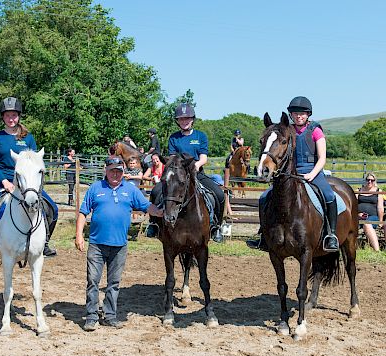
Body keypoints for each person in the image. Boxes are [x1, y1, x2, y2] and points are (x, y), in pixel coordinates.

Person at [75, 156, 163, 331]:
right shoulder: (95, 188)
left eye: (119, 171)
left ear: (123, 172)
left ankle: (110, 315)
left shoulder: (130, 190)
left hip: (120, 245)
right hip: (97, 244)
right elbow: (83, 212)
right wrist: (78, 235)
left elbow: (147, 207)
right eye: (112, 170)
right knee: (93, 281)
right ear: (106, 171)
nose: (115, 174)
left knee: (113, 283)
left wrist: (163, 212)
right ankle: (91, 316)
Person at [247, 96, 339, 252]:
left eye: (302, 113)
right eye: (295, 113)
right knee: (264, 198)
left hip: (313, 172)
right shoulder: (286, 130)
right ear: (291, 115)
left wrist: (312, 174)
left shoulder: (315, 130)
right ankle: (264, 236)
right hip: (291, 174)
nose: (299, 116)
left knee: (329, 196)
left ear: (308, 114)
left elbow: (322, 158)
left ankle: (331, 235)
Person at [0, 97, 58, 258]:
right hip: (3, 180)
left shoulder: (28, 138)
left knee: (53, 208)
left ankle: (45, 242)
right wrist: (5, 182)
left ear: (18, 116)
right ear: (2, 117)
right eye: (7, 116)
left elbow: (35, 162)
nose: (11, 119)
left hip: (27, 183)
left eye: (14, 115)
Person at [147, 103, 225, 242]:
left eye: (187, 118)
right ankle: (153, 224)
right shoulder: (174, 137)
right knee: (156, 191)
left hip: (196, 173)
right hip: (178, 175)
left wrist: (197, 164)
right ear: (177, 121)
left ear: (192, 119)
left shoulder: (200, 136)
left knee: (219, 194)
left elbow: (204, 157)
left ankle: (216, 227)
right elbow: (172, 158)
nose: (184, 121)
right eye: (181, 119)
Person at [357, 173, 384, 251]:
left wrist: (380, 221)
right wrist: (358, 214)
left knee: (367, 224)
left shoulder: (378, 191)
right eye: (368, 180)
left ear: (374, 181)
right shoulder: (358, 190)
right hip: (358, 217)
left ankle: (377, 250)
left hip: (373, 217)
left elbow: (380, 207)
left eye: (372, 180)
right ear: (365, 180)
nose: (369, 182)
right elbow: (353, 205)